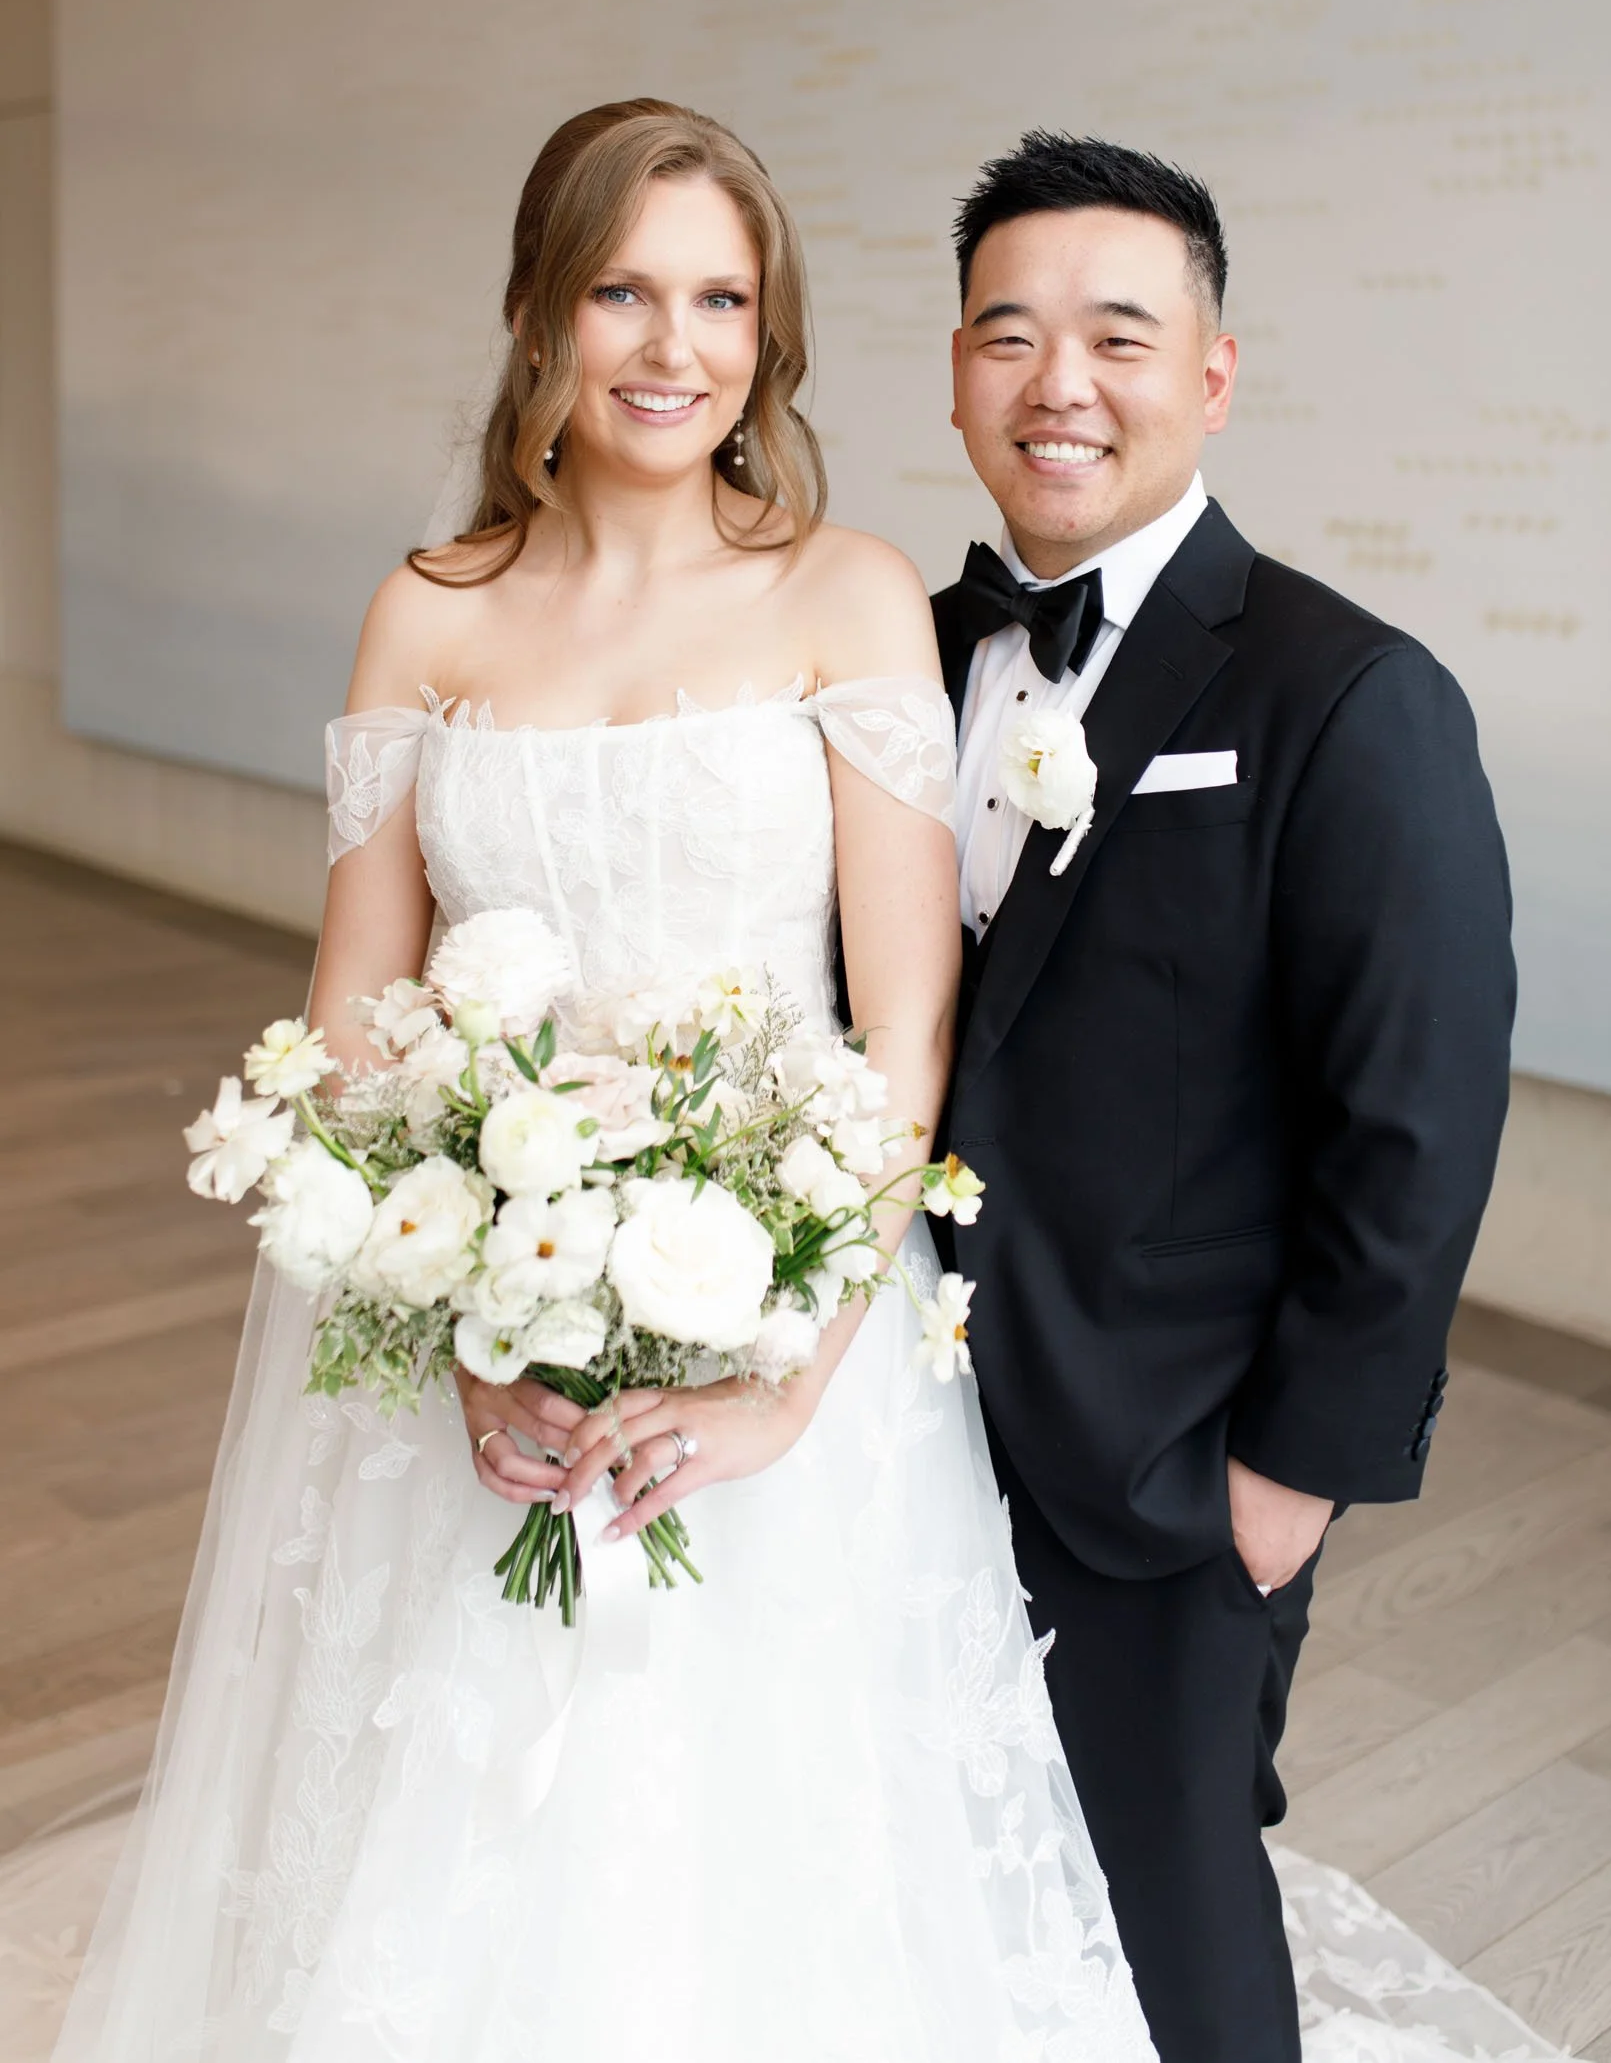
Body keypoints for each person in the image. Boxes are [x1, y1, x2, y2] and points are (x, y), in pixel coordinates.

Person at [52, 101, 1154, 2063]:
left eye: (720, 296)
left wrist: (784, 1370)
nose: (673, 344)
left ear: (770, 329)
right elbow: (358, 1017)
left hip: (782, 1322)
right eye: (623, 288)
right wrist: (447, 1322)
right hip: (490, 1320)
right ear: (537, 313)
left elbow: (903, 1026)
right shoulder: (429, 604)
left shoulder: (842, 588)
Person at [931, 133, 1518, 2063]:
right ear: (955, 369)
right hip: (894, 1424)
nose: (1056, 386)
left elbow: (1410, 1126)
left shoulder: (1348, 695)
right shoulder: (900, 660)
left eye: (1115, 333)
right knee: (939, 1869)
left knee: (1172, 1925)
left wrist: (1289, 1480)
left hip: (1167, 1460)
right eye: (1008, 337)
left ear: (1211, 372)